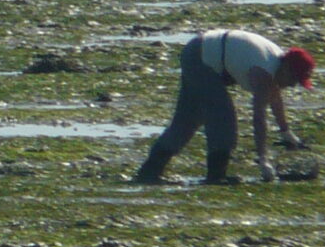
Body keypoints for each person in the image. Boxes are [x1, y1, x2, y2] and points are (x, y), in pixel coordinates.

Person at [132, 29, 314, 185]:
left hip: (199, 51)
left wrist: (285, 131)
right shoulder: (264, 72)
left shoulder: (276, 65)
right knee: (223, 117)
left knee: (187, 120)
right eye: (294, 80)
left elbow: (275, 99)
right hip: (201, 57)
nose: (292, 85)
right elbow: (259, 118)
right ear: (287, 69)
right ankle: (216, 176)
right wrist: (263, 160)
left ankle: (149, 172)